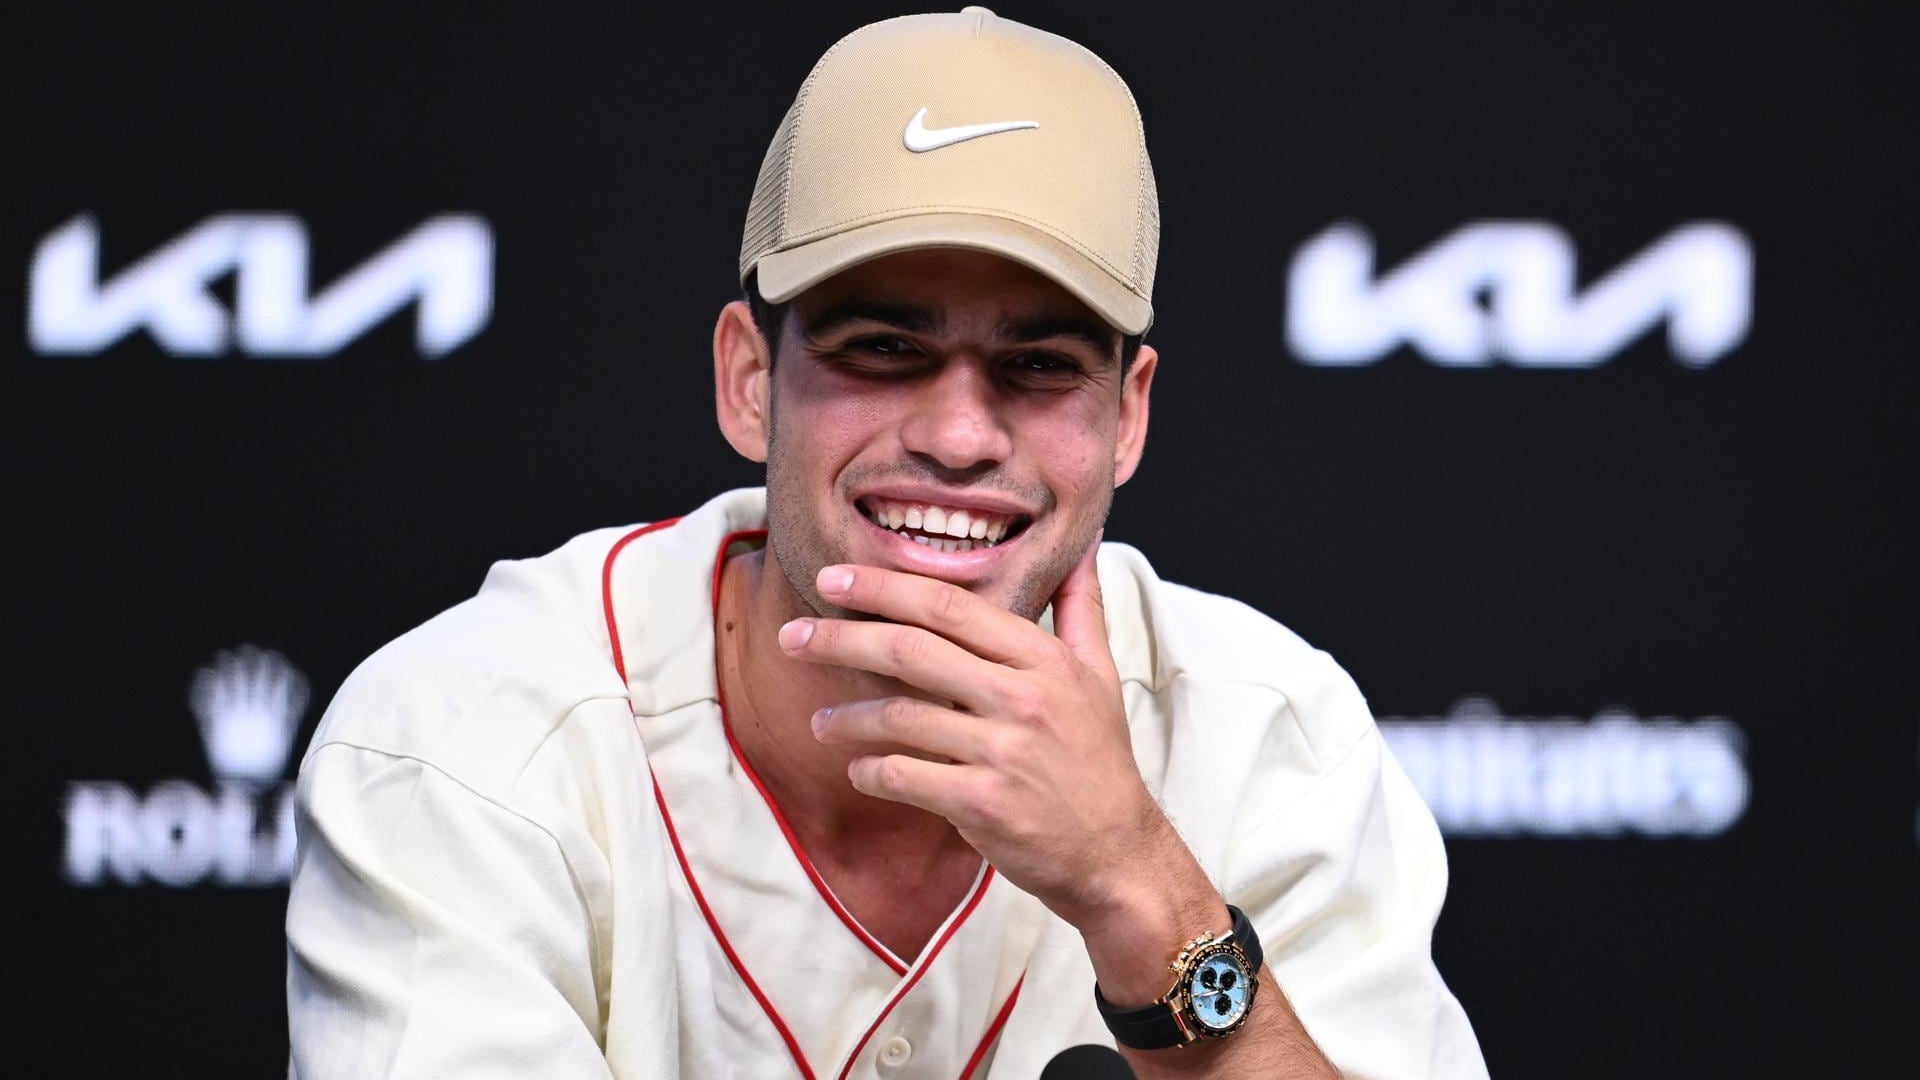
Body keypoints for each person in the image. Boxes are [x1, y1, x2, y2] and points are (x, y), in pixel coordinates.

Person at [285, 8, 1488, 1078]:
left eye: (1037, 366)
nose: (960, 435)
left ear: (1126, 418)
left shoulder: (1271, 734)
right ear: (749, 381)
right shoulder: (459, 744)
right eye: (882, 348)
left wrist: (1140, 884)